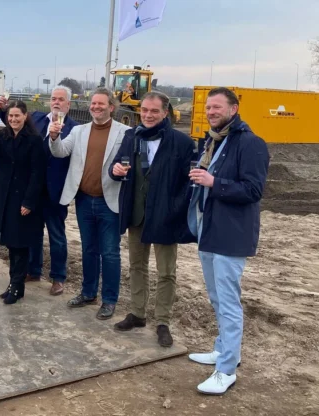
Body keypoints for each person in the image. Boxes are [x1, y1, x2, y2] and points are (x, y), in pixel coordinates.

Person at [187, 87, 269, 395]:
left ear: (233, 109)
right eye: (208, 107)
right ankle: (223, 350)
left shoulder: (250, 143)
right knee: (217, 297)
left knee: (229, 302)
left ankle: (226, 370)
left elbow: (253, 190)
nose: (210, 111)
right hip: (209, 230)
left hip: (231, 235)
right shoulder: (214, 140)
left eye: (217, 107)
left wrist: (213, 182)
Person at [109, 91, 195, 347]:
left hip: (165, 217)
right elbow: (117, 166)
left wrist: (175, 210)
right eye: (144, 110)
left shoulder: (182, 142)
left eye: (154, 111)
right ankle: (137, 314)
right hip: (137, 214)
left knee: (166, 272)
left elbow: (187, 184)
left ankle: (163, 322)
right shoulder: (131, 136)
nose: (147, 115)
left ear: (165, 112)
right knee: (137, 266)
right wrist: (115, 170)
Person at [48, 87, 129, 320]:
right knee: (89, 250)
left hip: (109, 201)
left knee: (110, 253)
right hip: (84, 200)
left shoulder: (125, 132)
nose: (95, 107)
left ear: (111, 107)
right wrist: (54, 137)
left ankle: (109, 300)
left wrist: (125, 171)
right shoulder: (79, 131)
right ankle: (88, 293)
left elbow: (131, 163)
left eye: (101, 104)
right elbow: (60, 152)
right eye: (93, 103)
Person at [0, 86, 78, 296]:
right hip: (30, 189)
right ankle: (33, 270)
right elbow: (15, 123)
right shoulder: (39, 119)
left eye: (61, 99)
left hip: (54, 190)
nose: (56, 102)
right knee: (31, 233)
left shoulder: (74, 128)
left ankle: (58, 278)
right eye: (53, 98)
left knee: (56, 235)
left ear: (68, 104)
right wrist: (3, 110)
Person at [0, 100, 47, 304]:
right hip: (5, 196)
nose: (13, 119)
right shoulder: (3, 135)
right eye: (10, 116)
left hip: (23, 198)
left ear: (25, 116)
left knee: (20, 244)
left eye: (17, 116)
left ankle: (17, 285)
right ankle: (14, 284)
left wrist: (29, 202)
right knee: (11, 243)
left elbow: (38, 173)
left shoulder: (34, 140)